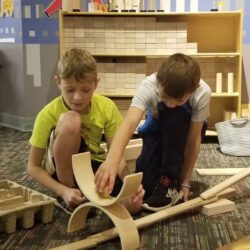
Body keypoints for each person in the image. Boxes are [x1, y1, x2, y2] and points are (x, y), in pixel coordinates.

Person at [27, 48, 144, 214]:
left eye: (85, 90)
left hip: (93, 165)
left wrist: (127, 182)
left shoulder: (106, 107)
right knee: (71, 121)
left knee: (134, 205)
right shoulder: (47, 114)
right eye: (70, 90)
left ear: (96, 83)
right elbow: (33, 167)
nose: (77, 97)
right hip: (62, 171)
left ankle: (87, 197)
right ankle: (71, 191)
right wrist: (63, 190)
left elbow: (115, 155)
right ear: (58, 82)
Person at [95, 53, 211, 212]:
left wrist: (184, 181)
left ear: (193, 90)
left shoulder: (202, 92)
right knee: (147, 187)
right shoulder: (149, 85)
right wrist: (111, 161)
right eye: (165, 97)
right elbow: (129, 124)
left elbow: (193, 139)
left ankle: (170, 179)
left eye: (179, 100)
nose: (171, 104)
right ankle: (161, 178)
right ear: (158, 81)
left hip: (183, 131)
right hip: (158, 127)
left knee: (174, 113)